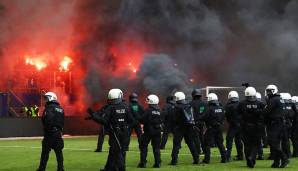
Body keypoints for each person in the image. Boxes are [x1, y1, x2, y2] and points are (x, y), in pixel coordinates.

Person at [89, 89, 136, 171]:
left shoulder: (111, 108)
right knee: (117, 151)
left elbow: (104, 121)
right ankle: (109, 168)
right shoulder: (126, 107)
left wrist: (94, 116)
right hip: (124, 133)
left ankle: (121, 168)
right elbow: (132, 121)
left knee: (117, 151)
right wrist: (126, 128)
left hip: (115, 133)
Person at [37, 92, 65, 171]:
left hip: (50, 133)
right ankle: (61, 169)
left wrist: (47, 129)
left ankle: (41, 169)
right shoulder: (61, 109)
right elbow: (62, 122)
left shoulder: (49, 108)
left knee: (45, 153)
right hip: (58, 133)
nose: (45, 100)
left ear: (51, 98)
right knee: (59, 152)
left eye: (46, 98)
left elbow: (47, 120)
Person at [170, 91, 199, 165]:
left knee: (176, 144)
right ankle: (196, 159)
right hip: (189, 127)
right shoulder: (188, 106)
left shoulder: (176, 107)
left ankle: (174, 160)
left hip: (179, 128)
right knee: (191, 143)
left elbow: (174, 118)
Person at [238, 87, 264, 168]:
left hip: (246, 126)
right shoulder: (260, 104)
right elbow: (264, 114)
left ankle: (248, 160)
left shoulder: (242, 103)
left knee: (247, 144)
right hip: (257, 127)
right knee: (256, 144)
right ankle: (252, 157)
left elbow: (238, 114)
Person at [264, 84, 289, 168]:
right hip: (280, 123)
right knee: (276, 143)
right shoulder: (279, 99)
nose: (268, 93)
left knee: (272, 142)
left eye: (269, 91)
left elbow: (267, 111)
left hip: (275, 124)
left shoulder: (274, 99)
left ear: (273, 91)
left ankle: (284, 158)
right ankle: (276, 162)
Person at [138, 95, 162, 168]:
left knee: (143, 146)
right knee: (156, 147)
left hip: (148, 131)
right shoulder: (160, 111)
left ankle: (143, 163)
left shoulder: (148, 110)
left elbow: (141, 120)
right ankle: (157, 163)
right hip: (158, 131)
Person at [202, 93, 227, 164]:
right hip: (219, 128)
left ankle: (206, 159)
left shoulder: (209, 108)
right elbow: (223, 117)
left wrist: (197, 119)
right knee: (220, 144)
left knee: (206, 144)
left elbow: (204, 117)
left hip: (211, 128)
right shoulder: (221, 108)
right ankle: (224, 158)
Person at [225, 91, 244, 161]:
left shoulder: (228, 106)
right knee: (238, 140)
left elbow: (227, 116)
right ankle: (240, 156)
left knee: (229, 139)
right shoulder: (241, 104)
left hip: (233, 125)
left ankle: (227, 156)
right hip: (240, 125)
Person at [190, 89, 207, 155]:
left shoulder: (191, 103)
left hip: (194, 123)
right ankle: (205, 150)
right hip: (202, 123)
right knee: (202, 137)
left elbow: (189, 114)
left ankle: (198, 151)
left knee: (195, 137)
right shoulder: (204, 103)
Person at [256, 92, 266, 160]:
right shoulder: (263, 105)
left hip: (256, 125)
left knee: (255, 140)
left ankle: (258, 154)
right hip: (262, 124)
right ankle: (260, 154)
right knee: (260, 140)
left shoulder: (256, 105)